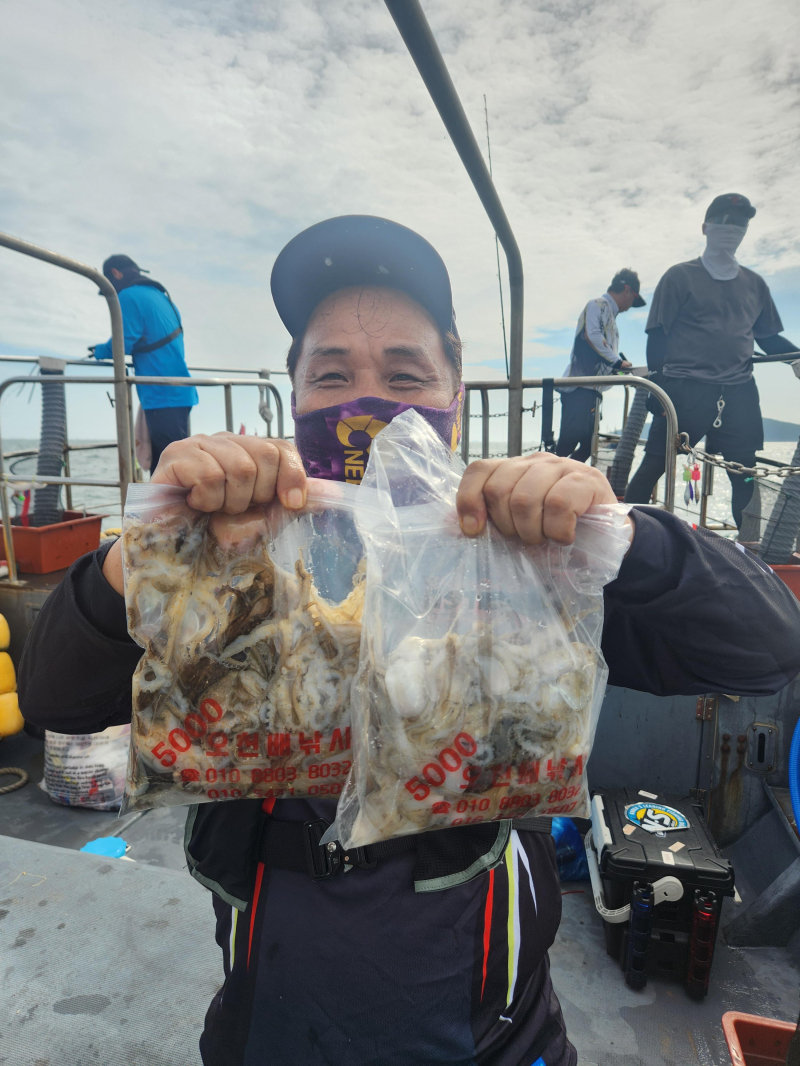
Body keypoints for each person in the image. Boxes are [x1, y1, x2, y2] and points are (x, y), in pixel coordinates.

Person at [19, 216, 800, 1066]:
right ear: (293, 393)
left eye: (403, 373)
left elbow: (766, 648)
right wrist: (143, 553)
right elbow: (59, 700)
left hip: (497, 1043)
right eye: (331, 374)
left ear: (454, 389)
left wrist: (625, 534)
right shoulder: (228, 551)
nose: (368, 403)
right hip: (264, 1036)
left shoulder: (527, 558)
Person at [625, 194, 800, 527]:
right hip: (683, 389)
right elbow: (657, 335)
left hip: (739, 392)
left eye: (740, 223)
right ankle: (624, 539)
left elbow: (769, 339)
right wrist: (658, 388)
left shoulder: (756, 285)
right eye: (724, 221)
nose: (732, 228)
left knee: (745, 473)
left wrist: (797, 357)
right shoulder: (678, 276)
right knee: (654, 464)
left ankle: (750, 550)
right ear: (705, 227)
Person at [91, 254, 198, 473]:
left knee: (168, 471)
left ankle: (163, 508)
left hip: (161, 396)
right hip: (180, 392)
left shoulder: (127, 296)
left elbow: (124, 342)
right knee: (173, 464)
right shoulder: (162, 296)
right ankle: (163, 507)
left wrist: (99, 351)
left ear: (115, 274)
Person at [555, 269, 643, 463]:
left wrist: (621, 372)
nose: (630, 306)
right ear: (627, 290)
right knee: (567, 446)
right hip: (579, 389)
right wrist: (618, 362)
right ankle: (544, 483)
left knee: (587, 446)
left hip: (591, 391)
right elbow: (592, 336)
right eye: (633, 299)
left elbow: (602, 356)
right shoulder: (598, 304)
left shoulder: (610, 317)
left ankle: (560, 481)